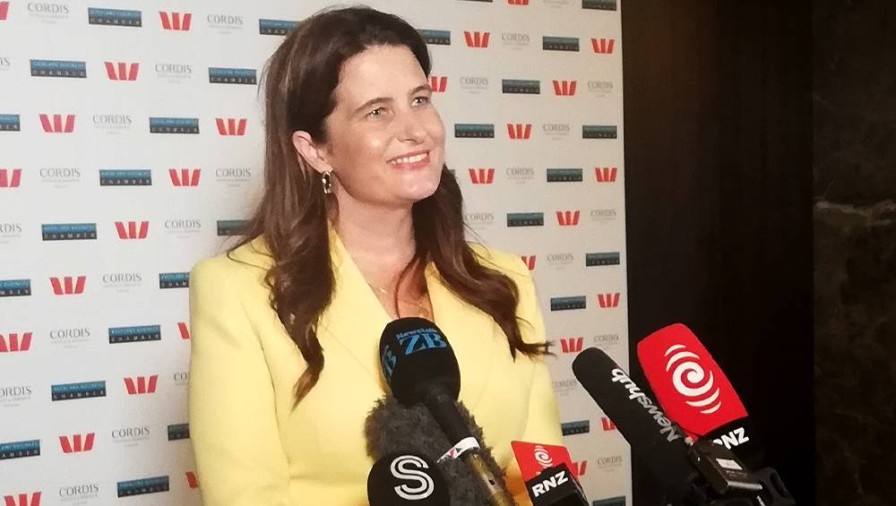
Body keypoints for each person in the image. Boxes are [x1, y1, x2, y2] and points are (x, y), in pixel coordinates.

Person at [188, 6, 563, 505]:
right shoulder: (238, 291)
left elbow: (544, 472)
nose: (416, 130)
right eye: (377, 112)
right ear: (315, 150)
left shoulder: (505, 281)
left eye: (420, 100)